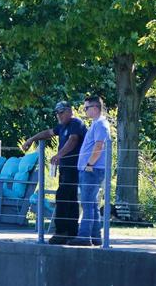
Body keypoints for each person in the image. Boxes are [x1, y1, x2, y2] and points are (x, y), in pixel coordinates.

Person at [22, 100, 86, 244]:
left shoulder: (76, 124)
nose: (59, 116)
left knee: (63, 196)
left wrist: (59, 154)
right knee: (70, 198)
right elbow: (48, 133)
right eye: (57, 113)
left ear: (70, 111)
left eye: (62, 112)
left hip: (73, 167)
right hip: (64, 168)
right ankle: (71, 232)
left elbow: (73, 140)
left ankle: (62, 231)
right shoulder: (61, 127)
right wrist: (31, 139)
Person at [73, 95, 111, 246]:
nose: (85, 111)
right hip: (91, 169)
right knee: (92, 204)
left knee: (87, 204)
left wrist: (89, 164)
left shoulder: (101, 124)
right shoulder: (96, 124)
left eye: (86, 108)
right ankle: (96, 237)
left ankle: (84, 237)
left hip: (92, 170)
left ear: (95, 108)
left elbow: (99, 146)